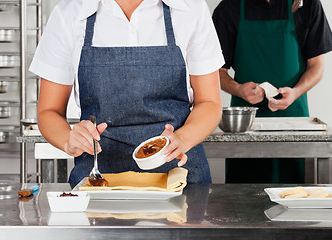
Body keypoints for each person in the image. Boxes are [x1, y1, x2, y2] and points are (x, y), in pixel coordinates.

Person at [30, 0, 224, 188]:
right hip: (98, 180)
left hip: (178, 179)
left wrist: (182, 139)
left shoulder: (190, 9)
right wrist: (68, 140)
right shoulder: (69, 14)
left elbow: (209, 102)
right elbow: (49, 110)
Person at [213, 0, 332, 183]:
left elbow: (317, 66)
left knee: (293, 193)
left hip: (294, 123)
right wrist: (238, 89)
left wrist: (295, 92)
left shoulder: (307, 5)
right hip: (244, 125)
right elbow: (217, 72)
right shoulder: (229, 8)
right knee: (243, 200)